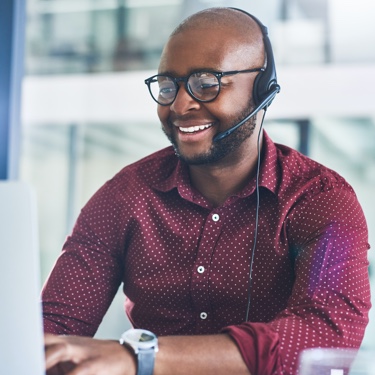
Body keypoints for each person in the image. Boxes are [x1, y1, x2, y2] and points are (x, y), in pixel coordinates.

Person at [42, 7, 371, 375]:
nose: (180, 106)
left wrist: (142, 358)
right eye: (168, 87)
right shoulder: (124, 197)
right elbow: (52, 332)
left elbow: (323, 335)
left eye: (206, 83)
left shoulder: (319, 200)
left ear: (262, 89)